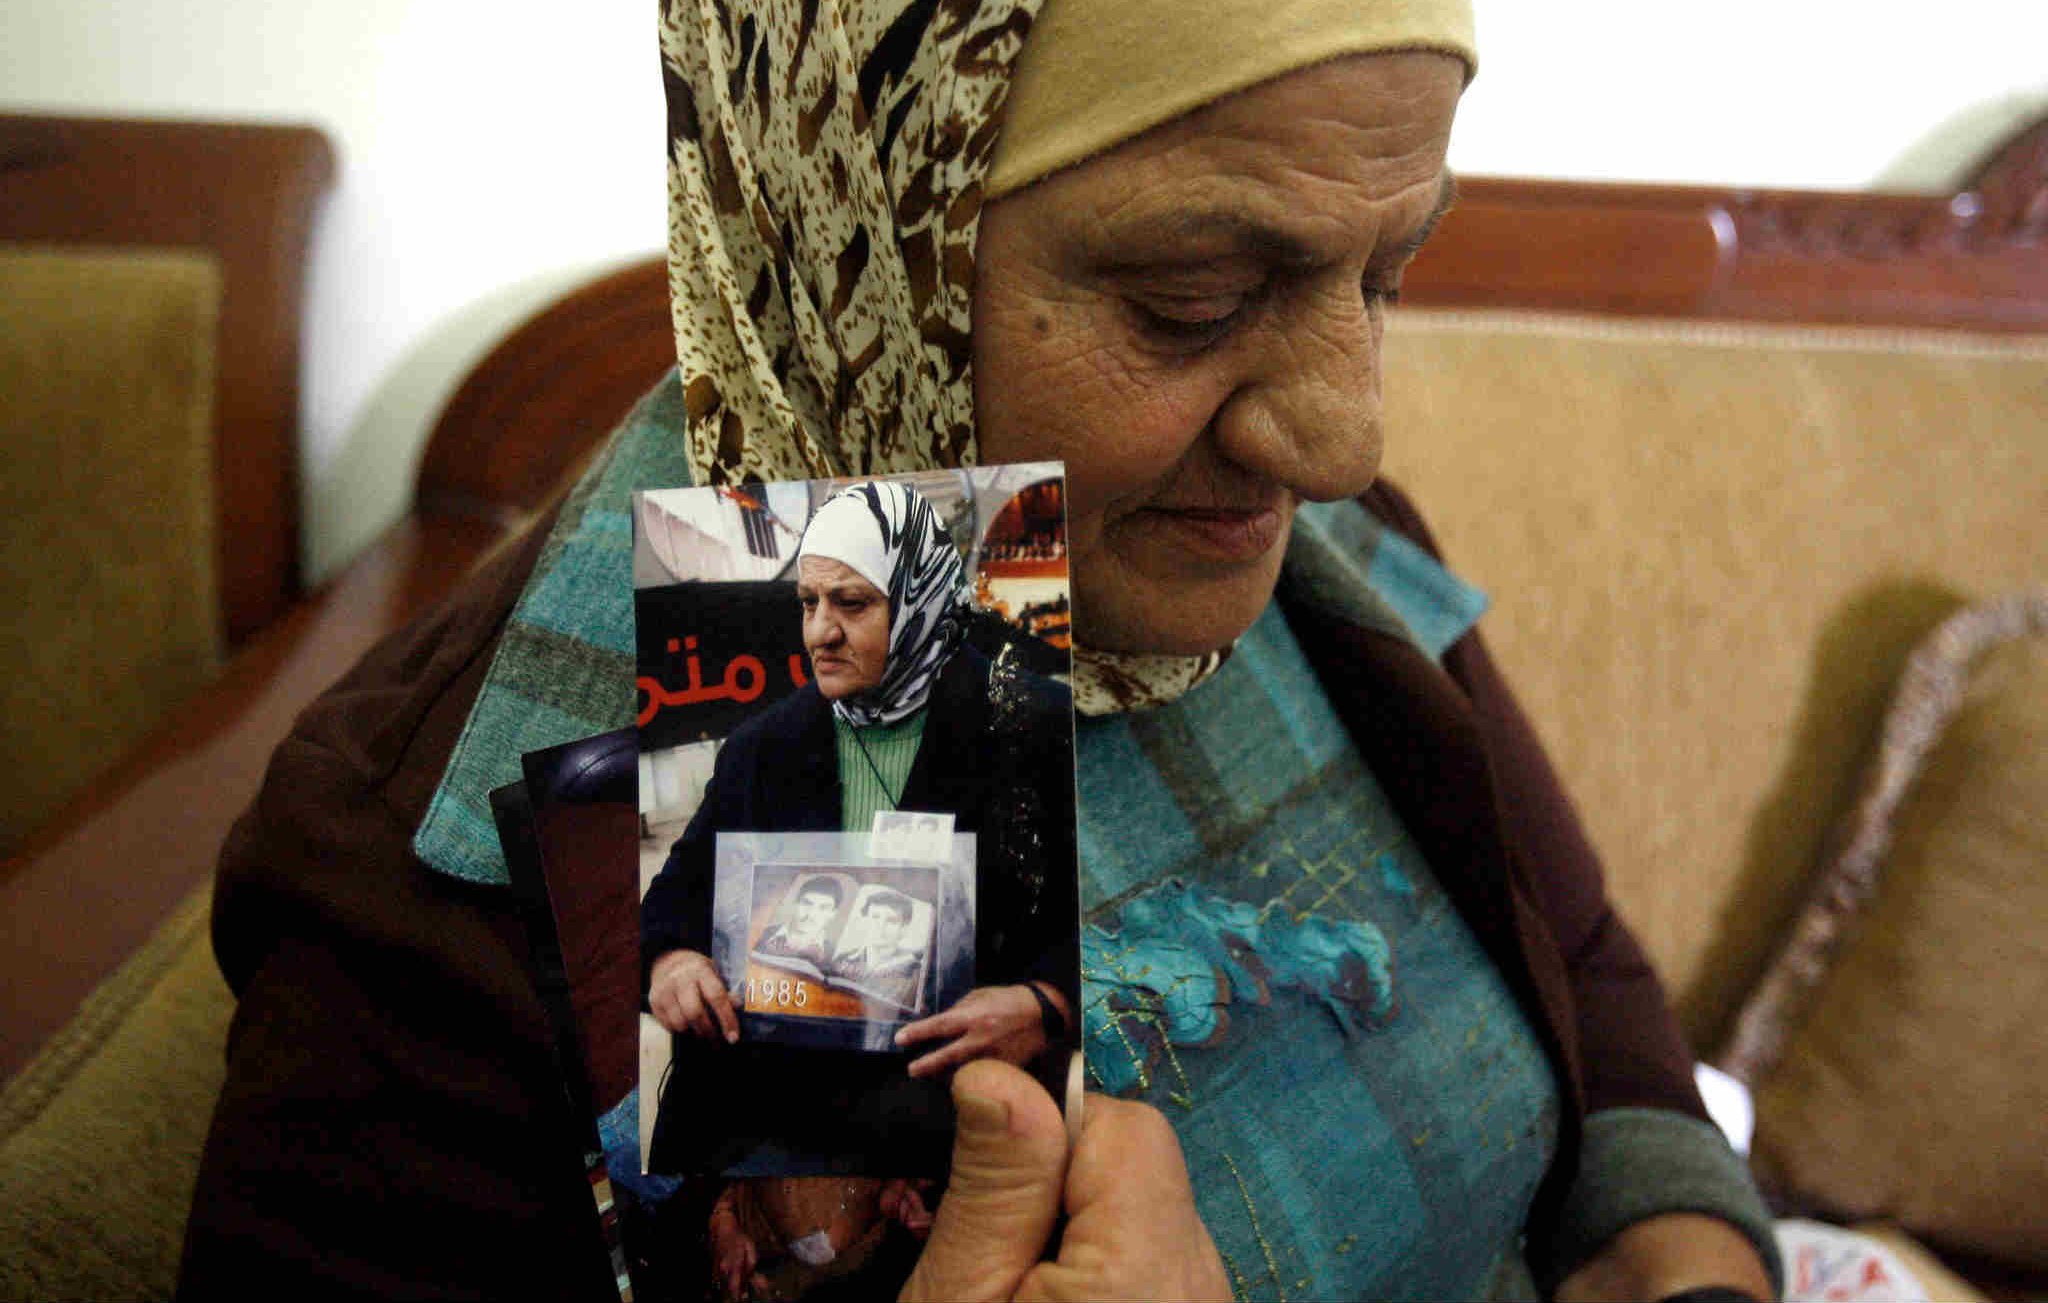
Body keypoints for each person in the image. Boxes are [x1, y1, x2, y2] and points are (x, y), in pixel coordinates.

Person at [179, 0, 1782, 1299]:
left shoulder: (1330, 579)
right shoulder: (425, 919)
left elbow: (1592, 989)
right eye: (1193, 298)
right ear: (850, 213)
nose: (1343, 439)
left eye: (1390, 271)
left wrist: (1689, 1256)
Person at [750, 876, 846, 970]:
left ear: (833, 914)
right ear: (795, 903)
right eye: (807, 903)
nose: (811, 915)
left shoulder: (834, 957)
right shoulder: (758, 934)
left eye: (823, 908)